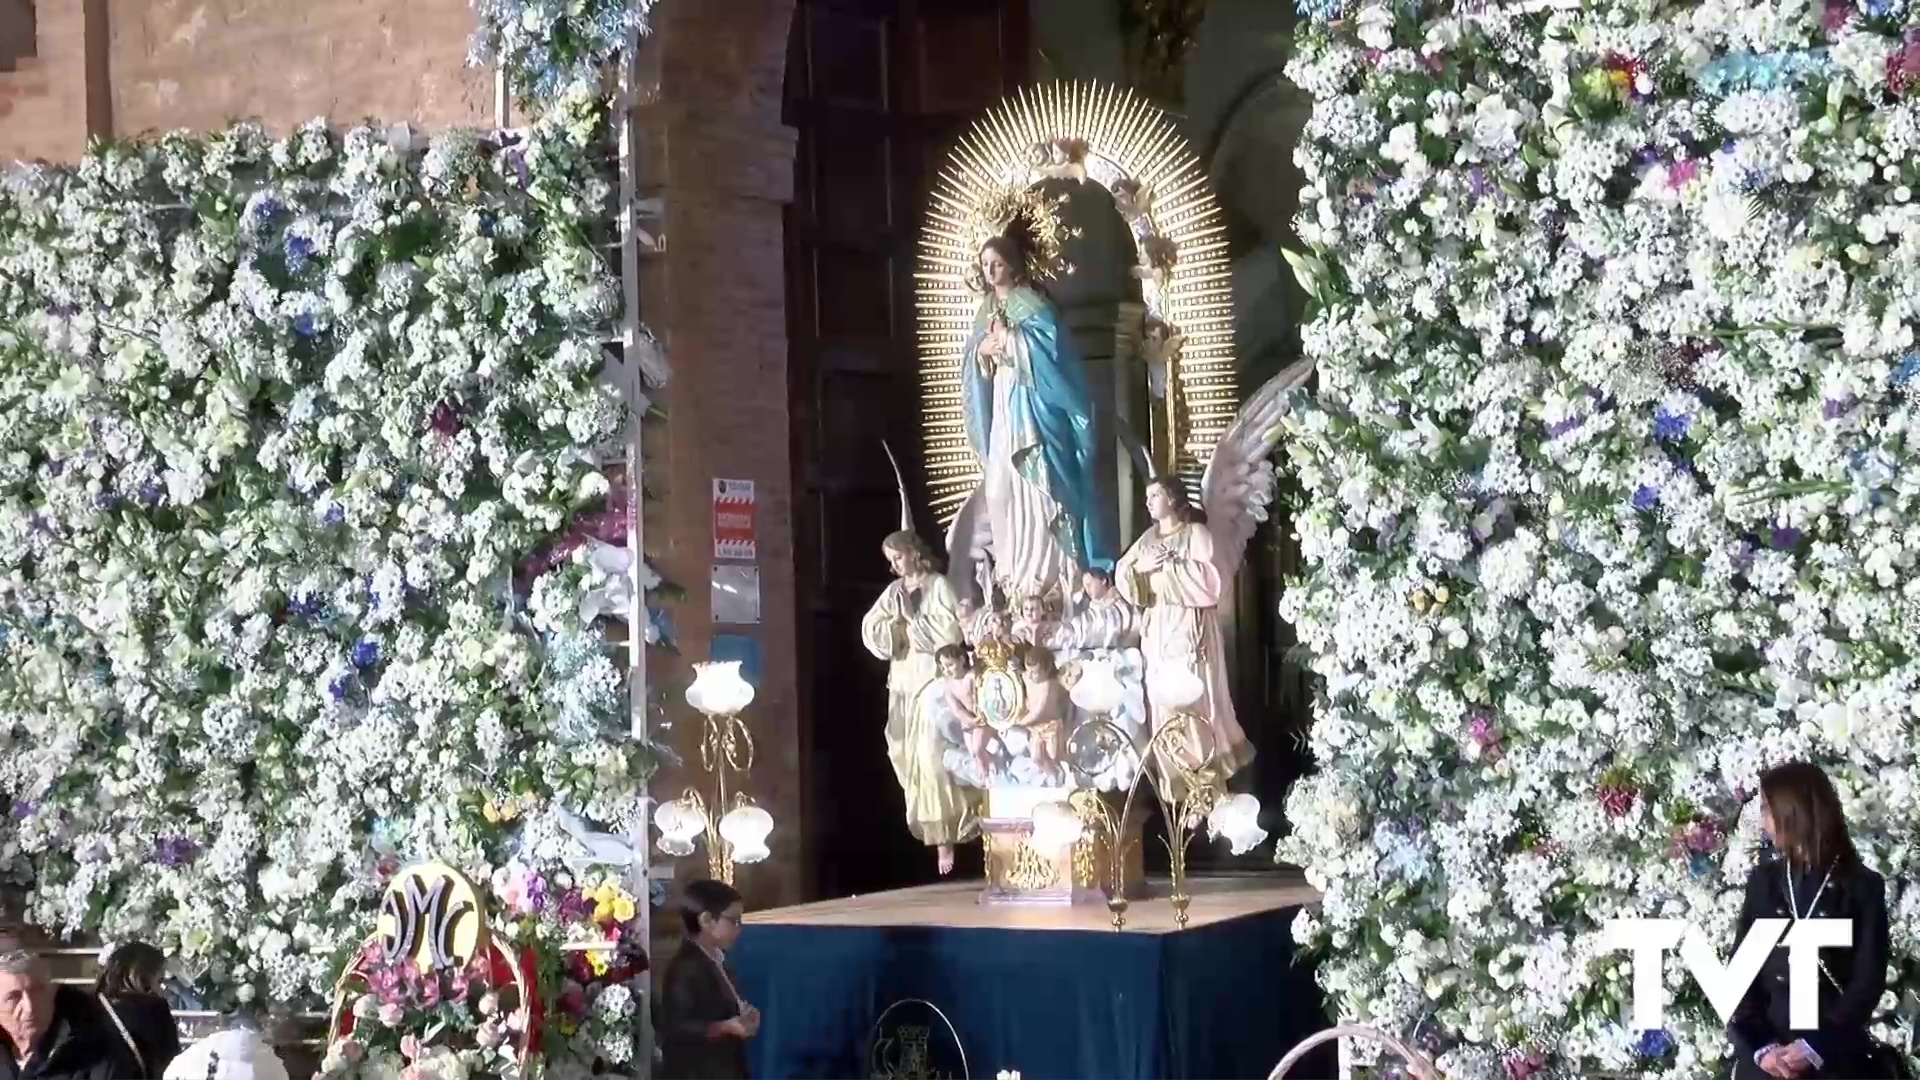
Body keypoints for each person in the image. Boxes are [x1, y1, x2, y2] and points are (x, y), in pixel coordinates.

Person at [947, 232, 1113, 602]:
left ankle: (1053, 582)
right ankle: (1012, 577)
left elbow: (1054, 357)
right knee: (999, 490)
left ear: (1013, 264)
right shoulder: (984, 310)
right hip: (1005, 408)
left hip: (1037, 411)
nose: (990, 271)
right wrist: (983, 354)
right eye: (985, 264)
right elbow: (976, 367)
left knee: (1040, 492)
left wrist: (1008, 340)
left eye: (997, 263)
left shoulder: (1035, 305)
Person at [1729, 761, 1892, 1079]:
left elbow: (1867, 981)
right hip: (1769, 1055)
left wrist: (1816, 1047)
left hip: (1835, 1054)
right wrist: (1763, 1047)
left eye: (1766, 809)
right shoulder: (1764, 883)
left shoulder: (1861, 886)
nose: (1762, 822)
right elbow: (1741, 977)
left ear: (1793, 810)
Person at [1114, 477, 1253, 784]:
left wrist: (1167, 569)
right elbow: (1124, 573)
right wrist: (1141, 569)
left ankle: (1205, 782)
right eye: (1148, 495)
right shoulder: (1148, 538)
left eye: (1155, 494)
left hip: (1189, 629)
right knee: (1163, 707)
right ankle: (1177, 780)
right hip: (1158, 630)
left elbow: (1212, 582)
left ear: (1173, 499)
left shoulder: (1196, 534)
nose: (1149, 501)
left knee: (1194, 703)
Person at [859, 530, 980, 875]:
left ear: (913, 552)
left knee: (930, 755)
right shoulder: (895, 591)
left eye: (898, 556)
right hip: (903, 680)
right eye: (890, 560)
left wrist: (914, 622)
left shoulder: (938, 585)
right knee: (901, 751)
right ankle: (941, 824)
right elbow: (872, 628)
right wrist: (895, 627)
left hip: (932, 679)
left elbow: (949, 636)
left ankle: (945, 838)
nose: (894, 565)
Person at [656, 881, 758, 1080]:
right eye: (734, 921)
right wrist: (725, 1027)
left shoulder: (720, 959)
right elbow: (676, 1028)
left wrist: (744, 1015)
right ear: (706, 920)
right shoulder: (685, 967)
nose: (739, 928)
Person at [0, 947, 143, 1080]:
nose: (30, 1007)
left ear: (53, 993)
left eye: (38, 991)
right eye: (14, 997)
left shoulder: (100, 1054)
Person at [94, 944, 179, 1080]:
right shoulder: (154, 1010)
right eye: (159, 979)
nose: (161, 987)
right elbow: (171, 1065)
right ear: (144, 977)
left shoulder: (91, 1007)